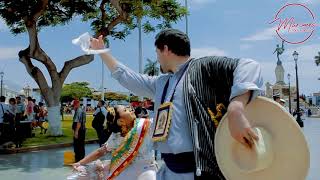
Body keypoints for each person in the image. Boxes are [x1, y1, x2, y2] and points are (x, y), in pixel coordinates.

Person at [89, 28, 263, 179]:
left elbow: (249, 66)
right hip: (169, 170)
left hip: (200, 171)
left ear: (165, 49)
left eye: (157, 53)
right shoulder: (162, 82)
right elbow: (128, 77)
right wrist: (102, 52)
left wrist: (236, 109)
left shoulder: (203, 67)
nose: (157, 59)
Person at [68, 105, 157, 180]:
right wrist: (80, 163)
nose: (131, 109)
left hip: (147, 169)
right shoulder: (116, 135)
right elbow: (101, 151)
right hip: (125, 170)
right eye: (125, 110)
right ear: (121, 121)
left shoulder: (145, 125)